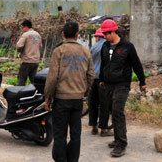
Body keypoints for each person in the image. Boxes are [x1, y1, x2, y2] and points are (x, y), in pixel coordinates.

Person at [44, 21, 94, 162]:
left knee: (60, 134)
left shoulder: (58, 51)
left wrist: (47, 98)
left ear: (63, 34)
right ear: (78, 35)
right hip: (77, 100)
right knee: (75, 134)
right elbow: (91, 76)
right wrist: (84, 92)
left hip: (61, 100)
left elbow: (52, 78)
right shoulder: (85, 51)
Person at [99, 19, 146, 158]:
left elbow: (136, 64)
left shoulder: (127, 46)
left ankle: (121, 144)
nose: (105, 36)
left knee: (117, 110)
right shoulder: (105, 47)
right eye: (104, 34)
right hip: (108, 83)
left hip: (122, 84)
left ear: (114, 31)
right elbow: (103, 64)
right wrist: (102, 79)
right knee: (112, 110)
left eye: (107, 33)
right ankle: (117, 138)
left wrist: (142, 81)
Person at [88, 27, 110, 135]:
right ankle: (104, 129)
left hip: (93, 78)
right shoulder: (108, 46)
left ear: (97, 37)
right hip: (103, 79)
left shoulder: (93, 47)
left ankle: (94, 126)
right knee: (104, 103)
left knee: (93, 103)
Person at [16, 19, 42, 86]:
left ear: (26, 26)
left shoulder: (26, 35)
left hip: (26, 61)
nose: (22, 29)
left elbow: (19, 46)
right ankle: (35, 94)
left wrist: (19, 51)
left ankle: (20, 95)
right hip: (35, 61)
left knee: (21, 81)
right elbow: (40, 46)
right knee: (34, 81)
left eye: (23, 27)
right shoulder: (38, 35)